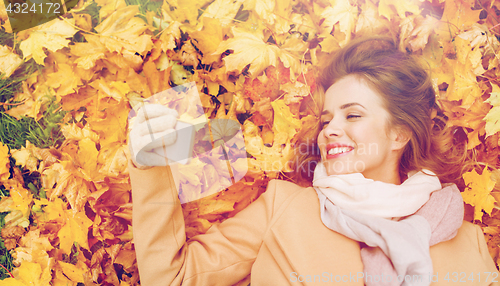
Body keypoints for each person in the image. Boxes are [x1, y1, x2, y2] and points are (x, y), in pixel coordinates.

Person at [128, 36, 499, 286]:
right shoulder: (284, 207)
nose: (330, 130)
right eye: (326, 120)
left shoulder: (466, 241)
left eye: (352, 116)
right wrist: (149, 168)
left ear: (398, 135)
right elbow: (172, 278)